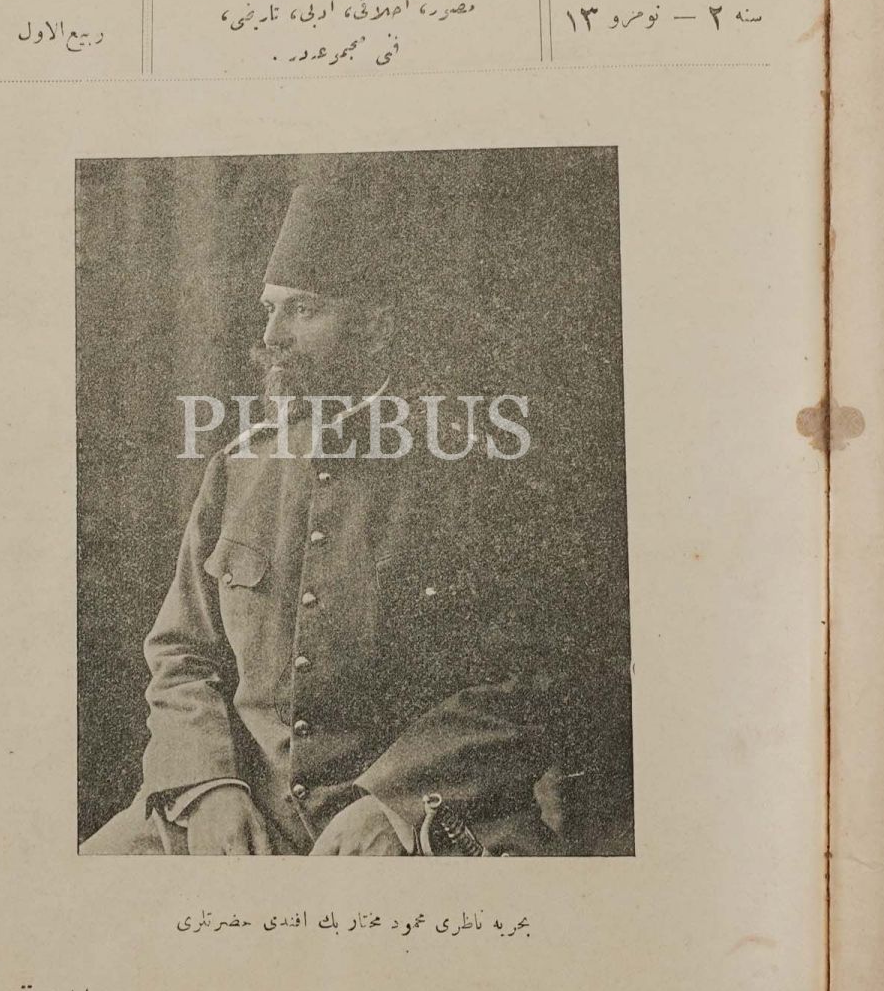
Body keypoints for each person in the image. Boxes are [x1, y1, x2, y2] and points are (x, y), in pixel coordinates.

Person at [81, 185, 559, 856]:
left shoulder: (472, 478)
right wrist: (208, 787)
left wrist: (394, 803)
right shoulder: (240, 467)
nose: (272, 338)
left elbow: (529, 681)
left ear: (376, 326)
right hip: (246, 804)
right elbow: (181, 653)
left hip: (416, 816)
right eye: (270, 311)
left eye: (302, 310)